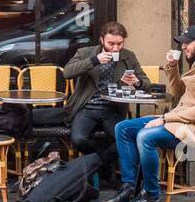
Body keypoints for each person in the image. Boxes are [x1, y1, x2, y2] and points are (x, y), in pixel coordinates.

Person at [108, 24, 195, 202]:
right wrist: (172, 69)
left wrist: (165, 118)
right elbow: (179, 94)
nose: (183, 47)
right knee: (123, 128)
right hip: (180, 121)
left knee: (145, 136)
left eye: (187, 43)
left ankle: (151, 196)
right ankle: (129, 187)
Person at [62, 21, 154, 182]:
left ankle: (98, 164)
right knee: (78, 139)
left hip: (112, 109)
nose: (115, 48)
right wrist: (94, 60)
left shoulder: (128, 56)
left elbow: (147, 84)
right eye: (111, 44)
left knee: (126, 138)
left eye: (120, 44)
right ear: (101, 40)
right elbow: (67, 73)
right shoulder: (86, 52)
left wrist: (136, 82)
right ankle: (104, 165)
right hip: (87, 107)